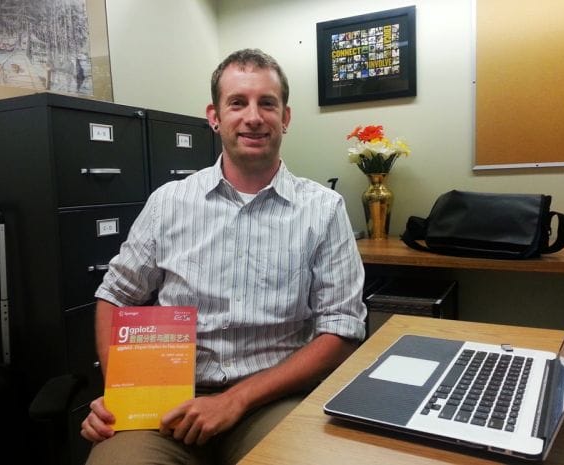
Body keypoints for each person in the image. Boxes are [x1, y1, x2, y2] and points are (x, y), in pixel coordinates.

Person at [80, 48, 367, 465]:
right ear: (214, 117)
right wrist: (120, 392)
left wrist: (235, 400)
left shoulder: (324, 209)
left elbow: (340, 329)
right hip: (167, 401)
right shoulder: (169, 203)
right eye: (238, 102)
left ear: (285, 117)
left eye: (267, 103)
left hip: (272, 398)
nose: (253, 116)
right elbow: (116, 295)